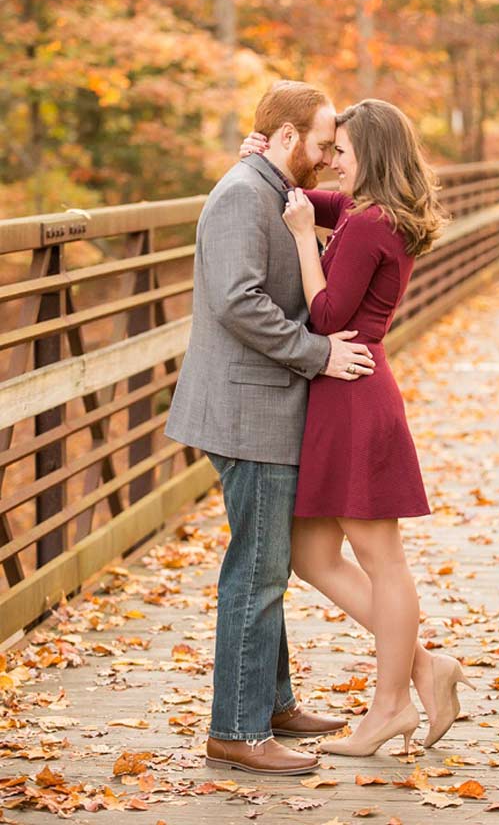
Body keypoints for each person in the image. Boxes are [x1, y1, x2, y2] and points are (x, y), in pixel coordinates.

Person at [243, 99, 476, 757]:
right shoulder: (362, 212)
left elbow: (324, 317)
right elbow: (314, 200)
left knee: (382, 560)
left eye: (341, 151)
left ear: (370, 155)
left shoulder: (371, 224)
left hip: (355, 395)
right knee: (312, 556)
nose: (330, 161)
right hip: (338, 399)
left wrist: (296, 240)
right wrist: (268, 165)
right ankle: (426, 666)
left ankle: (390, 706)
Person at [165, 80, 377, 776]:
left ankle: (272, 703)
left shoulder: (266, 185)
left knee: (265, 566)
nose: (324, 159)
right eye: (319, 144)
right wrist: (317, 353)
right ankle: (236, 729)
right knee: (254, 573)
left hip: (259, 407)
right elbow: (237, 303)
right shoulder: (240, 196)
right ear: (285, 138)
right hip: (245, 413)